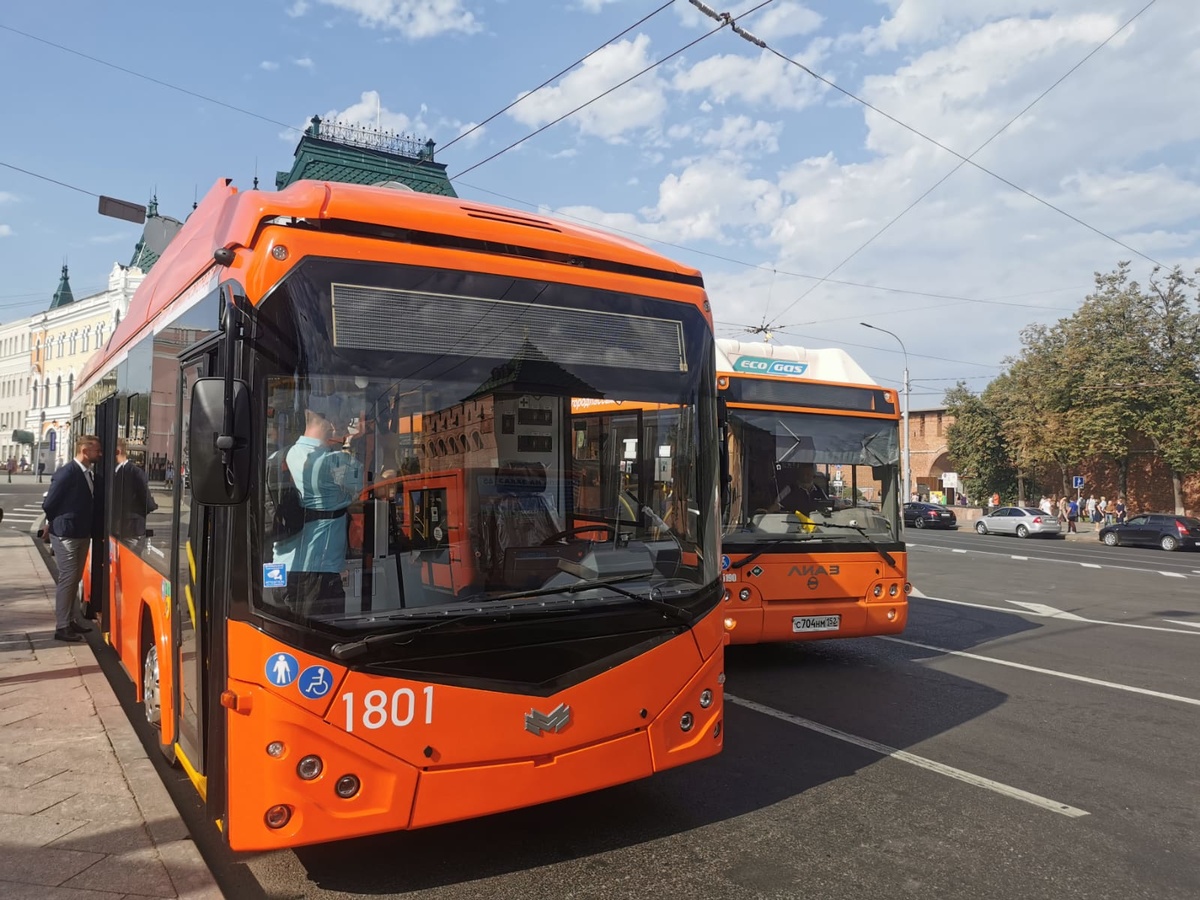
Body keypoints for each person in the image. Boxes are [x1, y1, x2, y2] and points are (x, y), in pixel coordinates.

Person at [274, 399, 364, 617]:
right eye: (341, 420)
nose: (343, 424)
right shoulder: (333, 461)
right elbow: (369, 485)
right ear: (331, 423)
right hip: (318, 571)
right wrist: (351, 442)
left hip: (280, 567)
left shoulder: (280, 456)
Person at [41, 435, 102, 642]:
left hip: (82, 533)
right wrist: (53, 523)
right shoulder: (67, 473)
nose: (100, 454)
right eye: (96, 450)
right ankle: (62, 627)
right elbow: (49, 503)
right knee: (68, 579)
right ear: (85, 451)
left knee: (75, 578)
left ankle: (71, 619)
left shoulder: (88, 474)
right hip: (66, 533)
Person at [112, 438, 157, 543]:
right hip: (119, 528)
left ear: (117, 452)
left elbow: (146, 500)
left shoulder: (135, 473)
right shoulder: (113, 472)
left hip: (132, 529)